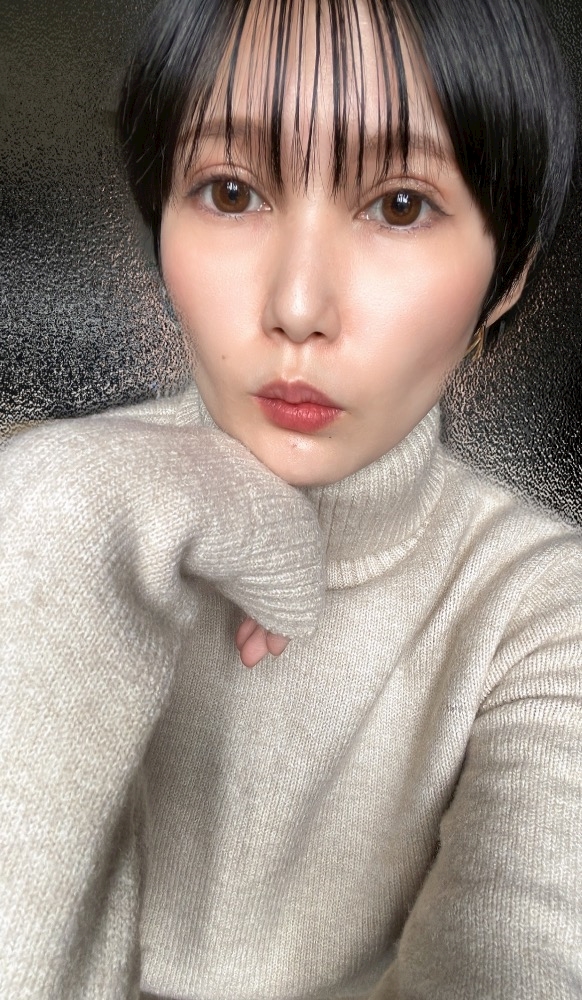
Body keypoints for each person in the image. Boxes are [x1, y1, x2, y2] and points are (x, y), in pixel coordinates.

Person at [0, 0, 580, 997]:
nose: (298, 307)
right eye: (230, 192)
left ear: (510, 274)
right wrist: (69, 520)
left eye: (401, 206)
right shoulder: (37, 511)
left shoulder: (538, 609)